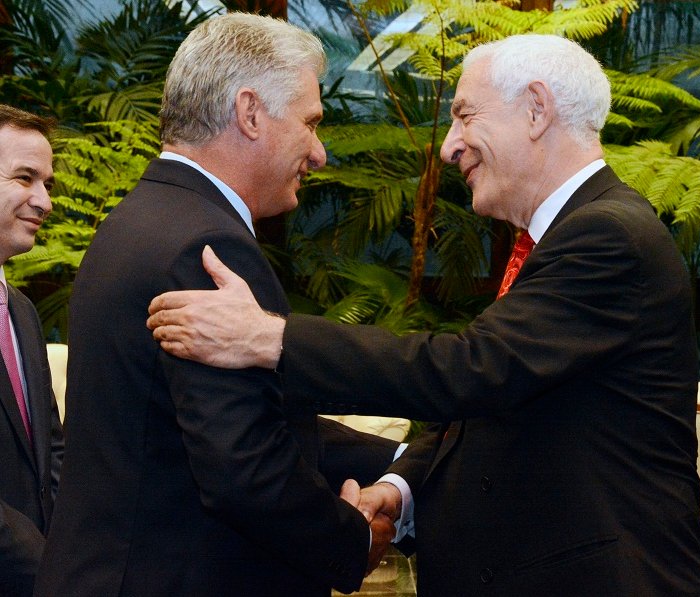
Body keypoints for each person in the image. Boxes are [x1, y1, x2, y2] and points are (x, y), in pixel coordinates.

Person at [147, 34, 700, 596]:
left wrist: (267, 338)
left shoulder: (607, 235)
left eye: (465, 116)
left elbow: (472, 370)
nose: (449, 147)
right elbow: (501, 404)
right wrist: (404, 486)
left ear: (537, 109)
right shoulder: (565, 235)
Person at [34, 14, 400, 597]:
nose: (320, 152)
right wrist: (349, 539)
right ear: (251, 112)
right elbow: (241, 465)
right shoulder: (206, 246)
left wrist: (405, 461)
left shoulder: (141, 219)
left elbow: (212, 418)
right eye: (309, 123)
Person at [0, 104, 65, 596]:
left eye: (47, 183)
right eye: (25, 178)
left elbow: (53, 453)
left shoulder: (21, 312)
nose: (44, 202)